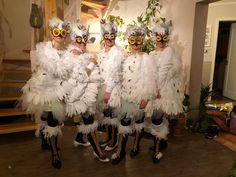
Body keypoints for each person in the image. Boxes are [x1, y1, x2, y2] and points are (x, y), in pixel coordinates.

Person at [21, 17, 68, 169]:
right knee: (43, 117)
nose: (59, 35)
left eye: (62, 33)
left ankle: (54, 152)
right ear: (51, 33)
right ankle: (45, 143)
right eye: (57, 32)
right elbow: (45, 69)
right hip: (42, 87)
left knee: (53, 121)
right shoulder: (44, 49)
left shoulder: (66, 52)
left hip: (55, 90)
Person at [62, 22, 109, 162]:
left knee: (86, 117)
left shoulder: (82, 53)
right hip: (77, 94)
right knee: (88, 120)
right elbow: (82, 76)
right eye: (79, 40)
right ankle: (97, 151)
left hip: (85, 92)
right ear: (73, 39)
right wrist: (92, 63)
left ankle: (79, 139)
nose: (83, 43)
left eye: (84, 39)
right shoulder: (72, 55)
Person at [111, 24, 157, 164]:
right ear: (128, 41)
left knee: (139, 123)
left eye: (138, 41)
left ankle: (136, 145)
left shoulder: (147, 58)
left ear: (142, 41)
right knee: (124, 123)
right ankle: (120, 151)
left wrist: (145, 97)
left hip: (141, 96)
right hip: (127, 96)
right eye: (133, 41)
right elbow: (119, 76)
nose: (136, 44)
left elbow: (150, 79)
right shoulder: (125, 57)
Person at [145, 21, 185, 163]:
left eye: (164, 38)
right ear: (155, 38)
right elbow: (150, 73)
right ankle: (161, 142)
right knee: (157, 119)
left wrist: (158, 89)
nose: (161, 41)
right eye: (158, 38)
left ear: (167, 38)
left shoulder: (170, 53)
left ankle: (157, 150)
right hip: (154, 90)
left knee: (157, 119)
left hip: (163, 92)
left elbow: (167, 73)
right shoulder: (152, 53)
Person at [97, 19, 125, 151]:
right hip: (103, 87)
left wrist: (108, 91)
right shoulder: (102, 52)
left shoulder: (118, 52)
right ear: (103, 37)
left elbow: (115, 74)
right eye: (106, 37)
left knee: (113, 115)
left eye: (112, 37)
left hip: (113, 89)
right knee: (107, 114)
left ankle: (114, 141)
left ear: (115, 37)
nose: (109, 39)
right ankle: (109, 138)